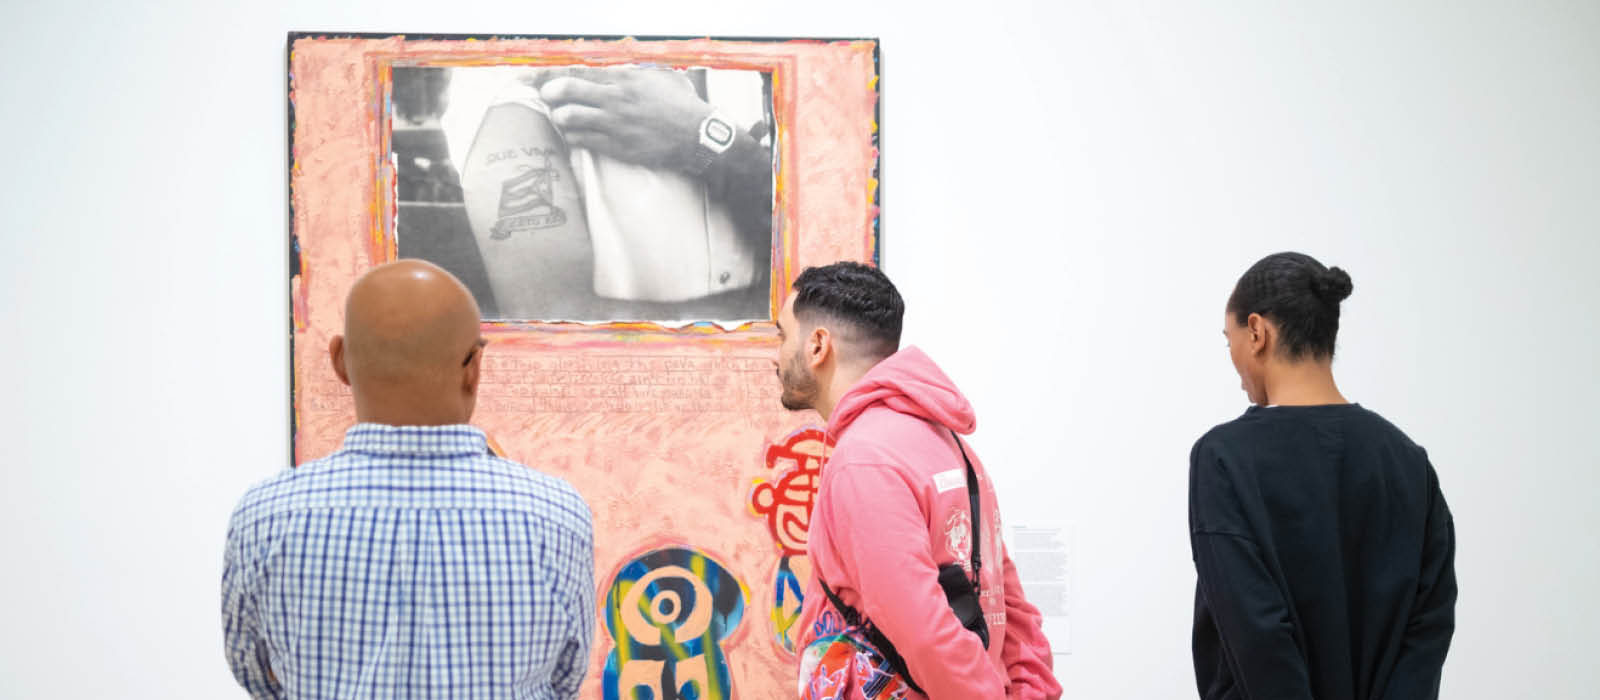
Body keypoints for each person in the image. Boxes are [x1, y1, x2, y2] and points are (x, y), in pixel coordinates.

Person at [222, 260, 596, 698]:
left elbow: (257, 676)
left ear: (340, 361)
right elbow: (565, 679)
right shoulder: (555, 515)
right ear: (473, 368)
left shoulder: (265, 516)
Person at [775, 261, 1062, 699]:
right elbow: (1009, 604)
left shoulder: (864, 461)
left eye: (782, 335)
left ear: (817, 345)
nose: (775, 354)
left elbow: (925, 632)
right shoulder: (950, 445)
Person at [1190, 252, 1457, 699]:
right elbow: (1428, 628)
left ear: (1257, 332)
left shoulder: (1223, 459)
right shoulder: (1407, 459)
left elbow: (1256, 632)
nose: (1232, 356)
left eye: (1229, 339)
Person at [440, 65, 774, 322]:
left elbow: (822, 226)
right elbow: (558, 325)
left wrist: (713, 145)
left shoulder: (750, 67)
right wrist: (791, 312)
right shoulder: (512, 83)